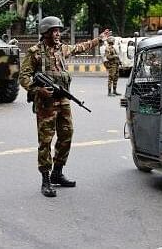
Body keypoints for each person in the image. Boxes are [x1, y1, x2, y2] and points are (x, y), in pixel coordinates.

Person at [19, 16, 111, 197]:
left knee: (67, 134)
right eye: (54, 31)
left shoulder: (62, 49)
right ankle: (45, 180)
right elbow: (23, 77)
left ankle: (57, 173)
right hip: (46, 103)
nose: (58, 34)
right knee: (45, 140)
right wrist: (38, 89)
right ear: (45, 32)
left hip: (63, 100)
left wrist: (99, 39)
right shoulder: (35, 52)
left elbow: (80, 48)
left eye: (59, 31)